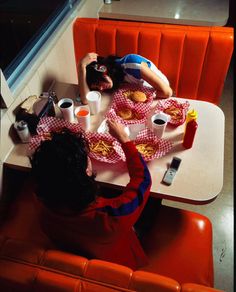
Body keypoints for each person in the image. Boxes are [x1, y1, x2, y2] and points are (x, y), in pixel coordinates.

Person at [30, 120, 152, 270]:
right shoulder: (111, 218)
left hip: (77, 253)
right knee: (152, 209)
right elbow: (143, 180)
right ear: (87, 171)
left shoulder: (40, 206)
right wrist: (124, 139)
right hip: (119, 266)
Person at [79, 53, 173, 104]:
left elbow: (167, 92)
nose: (100, 89)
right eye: (96, 88)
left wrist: (139, 97)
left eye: (98, 83)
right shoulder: (113, 79)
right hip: (142, 101)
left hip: (161, 97)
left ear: (103, 70)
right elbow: (86, 100)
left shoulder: (132, 64)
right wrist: (81, 68)